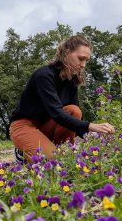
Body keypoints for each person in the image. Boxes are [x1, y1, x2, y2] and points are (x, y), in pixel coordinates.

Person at [9, 35, 115, 164]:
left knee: (74, 111)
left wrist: (89, 135)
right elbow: (57, 113)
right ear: (66, 53)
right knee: (51, 162)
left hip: (46, 124)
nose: (83, 65)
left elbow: (74, 118)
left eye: (86, 60)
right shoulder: (44, 75)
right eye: (81, 59)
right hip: (24, 125)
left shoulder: (71, 81)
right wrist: (91, 126)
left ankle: (63, 150)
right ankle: (23, 152)